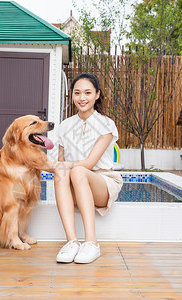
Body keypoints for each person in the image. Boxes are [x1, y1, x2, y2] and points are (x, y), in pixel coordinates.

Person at [51, 73, 123, 264]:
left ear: (97, 95)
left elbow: (90, 163)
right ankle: (72, 242)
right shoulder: (65, 126)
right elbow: (60, 162)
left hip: (102, 183)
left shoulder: (106, 124)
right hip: (76, 183)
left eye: (87, 93)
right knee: (62, 171)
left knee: (78, 170)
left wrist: (65, 166)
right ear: (72, 96)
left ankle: (92, 243)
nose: (82, 98)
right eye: (77, 93)